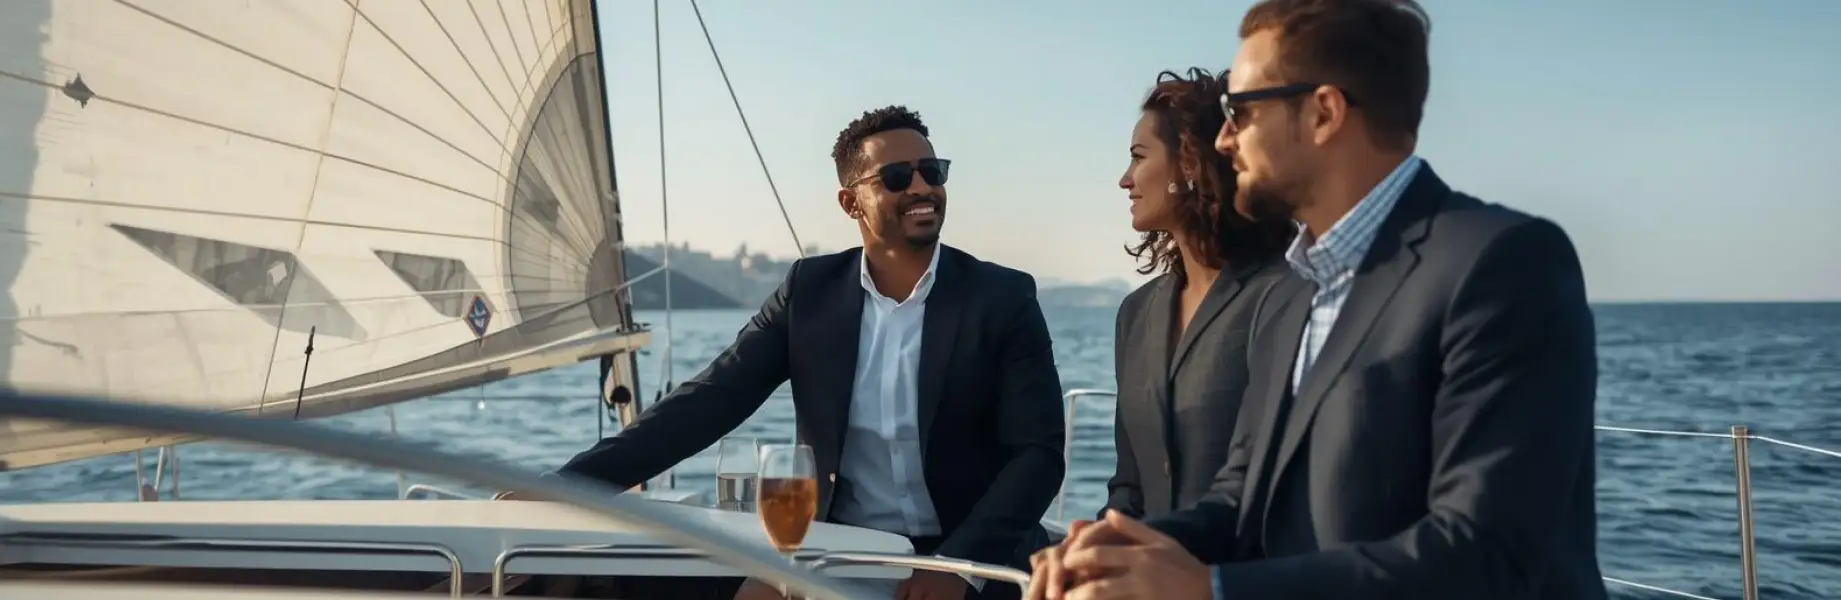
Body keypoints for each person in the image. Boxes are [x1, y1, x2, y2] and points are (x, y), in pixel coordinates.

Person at [1029, 1, 1605, 599]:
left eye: (1240, 112)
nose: (1223, 140)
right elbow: (1239, 499)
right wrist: (1111, 554)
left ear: (1324, 113)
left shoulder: (1502, 263)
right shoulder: (1297, 292)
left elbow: (1484, 551)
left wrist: (1212, 590)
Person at [547, 106, 1065, 600]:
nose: (922, 187)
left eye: (932, 171)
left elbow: (1038, 455)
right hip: (839, 550)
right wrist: (568, 487)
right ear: (850, 202)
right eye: (897, 177)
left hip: (974, 558)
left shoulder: (1001, 297)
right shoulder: (809, 292)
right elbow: (711, 400)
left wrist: (958, 569)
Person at [1105, 68, 1293, 521]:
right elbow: (1129, 484)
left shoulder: (1282, 296)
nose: (1125, 180)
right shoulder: (1137, 313)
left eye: (1138, 157)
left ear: (1190, 162)